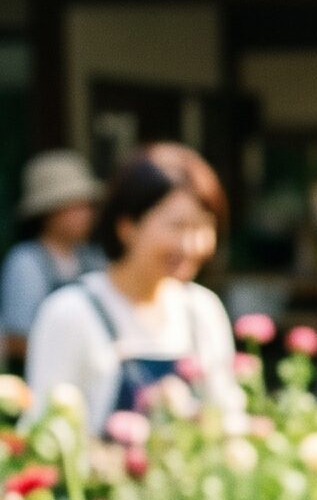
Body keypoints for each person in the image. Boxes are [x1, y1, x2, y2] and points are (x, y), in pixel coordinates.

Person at [25, 144, 237, 436]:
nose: (191, 245)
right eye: (177, 226)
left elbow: (227, 418)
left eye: (203, 226)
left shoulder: (202, 310)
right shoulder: (72, 313)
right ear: (127, 226)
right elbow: (42, 434)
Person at [2, 151, 104, 367]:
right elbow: (16, 339)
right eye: (75, 206)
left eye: (87, 206)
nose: (86, 214)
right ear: (50, 211)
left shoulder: (92, 257)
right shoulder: (26, 261)